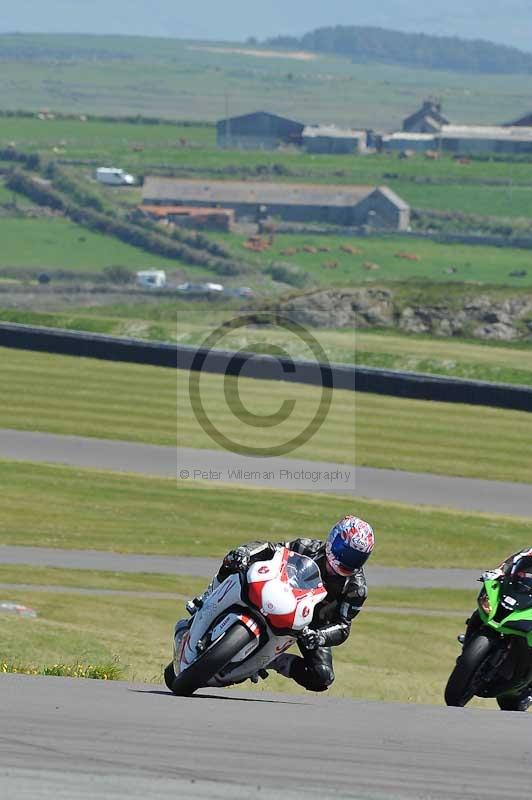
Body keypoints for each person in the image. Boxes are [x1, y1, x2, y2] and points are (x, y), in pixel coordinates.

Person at [184, 515, 375, 693]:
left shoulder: (356, 589)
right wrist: (246, 553)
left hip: (309, 627)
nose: (346, 560)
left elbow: (343, 626)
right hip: (279, 593)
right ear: (334, 540)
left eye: (355, 557)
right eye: (344, 551)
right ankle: (206, 597)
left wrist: (319, 637)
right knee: (234, 560)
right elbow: (272, 549)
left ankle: (272, 661)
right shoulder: (306, 547)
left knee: (322, 677)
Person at [460, 547, 532, 712]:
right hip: (522, 595)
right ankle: (470, 641)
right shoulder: (529, 552)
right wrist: (497, 572)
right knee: (483, 610)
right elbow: (513, 562)